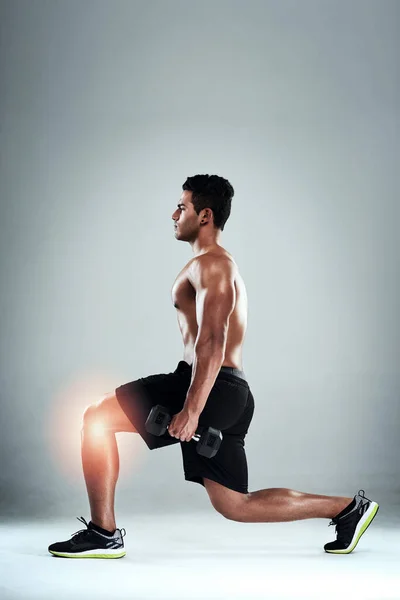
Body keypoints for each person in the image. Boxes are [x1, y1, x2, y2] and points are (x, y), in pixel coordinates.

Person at [48, 174, 379, 559]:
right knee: (234, 504)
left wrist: (191, 408)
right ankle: (347, 509)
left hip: (208, 385)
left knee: (96, 417)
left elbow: (212, 339)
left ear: (204, 215)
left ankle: (103, 534)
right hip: (229, 390)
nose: (174, 214)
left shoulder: (213, 265)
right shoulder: (211, 265)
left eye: (182, 207)